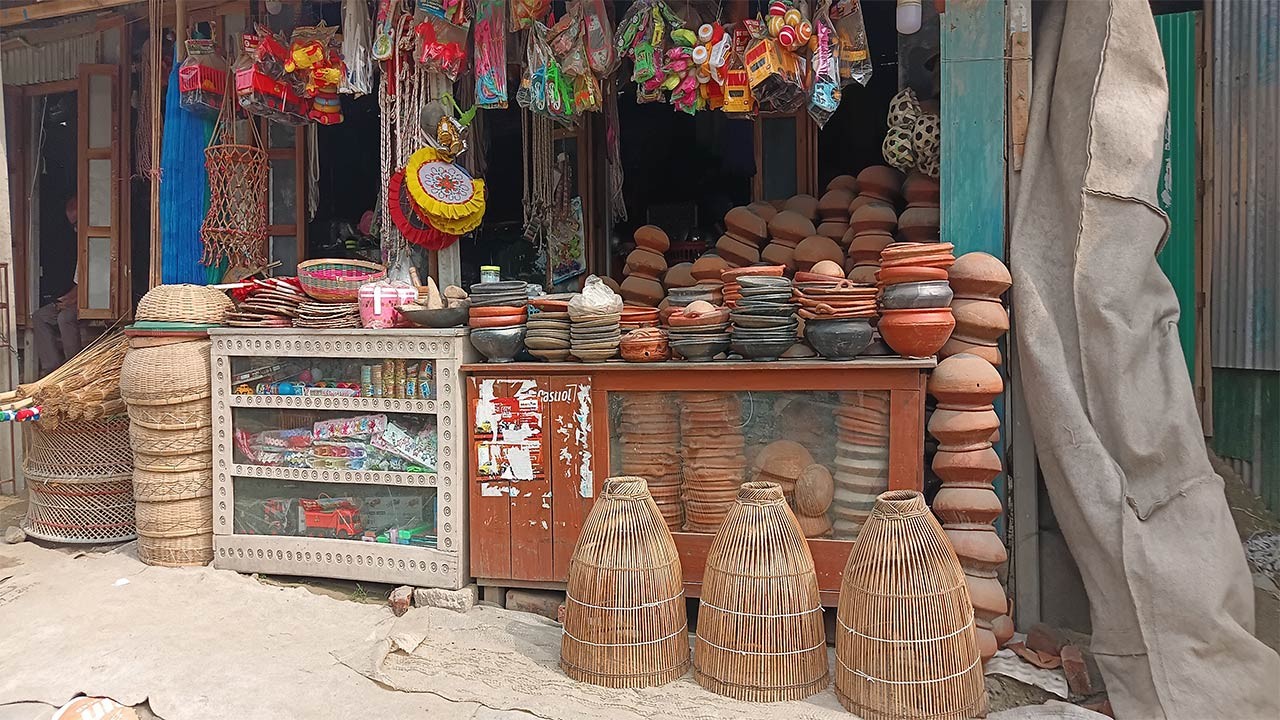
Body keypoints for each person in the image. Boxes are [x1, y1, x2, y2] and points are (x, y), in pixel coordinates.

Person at [32, 196, 81, 375]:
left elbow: (87, 290)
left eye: (77, 223)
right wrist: (62, 300)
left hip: (93, 303)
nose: (75, 229)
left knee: (65, 318)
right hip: (74, 300)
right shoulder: (81, 248)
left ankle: (72, 369)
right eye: (73, 225)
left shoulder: (97, 246)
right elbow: (78, 285)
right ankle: (51, 369)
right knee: (40, 316)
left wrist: (67, 303)